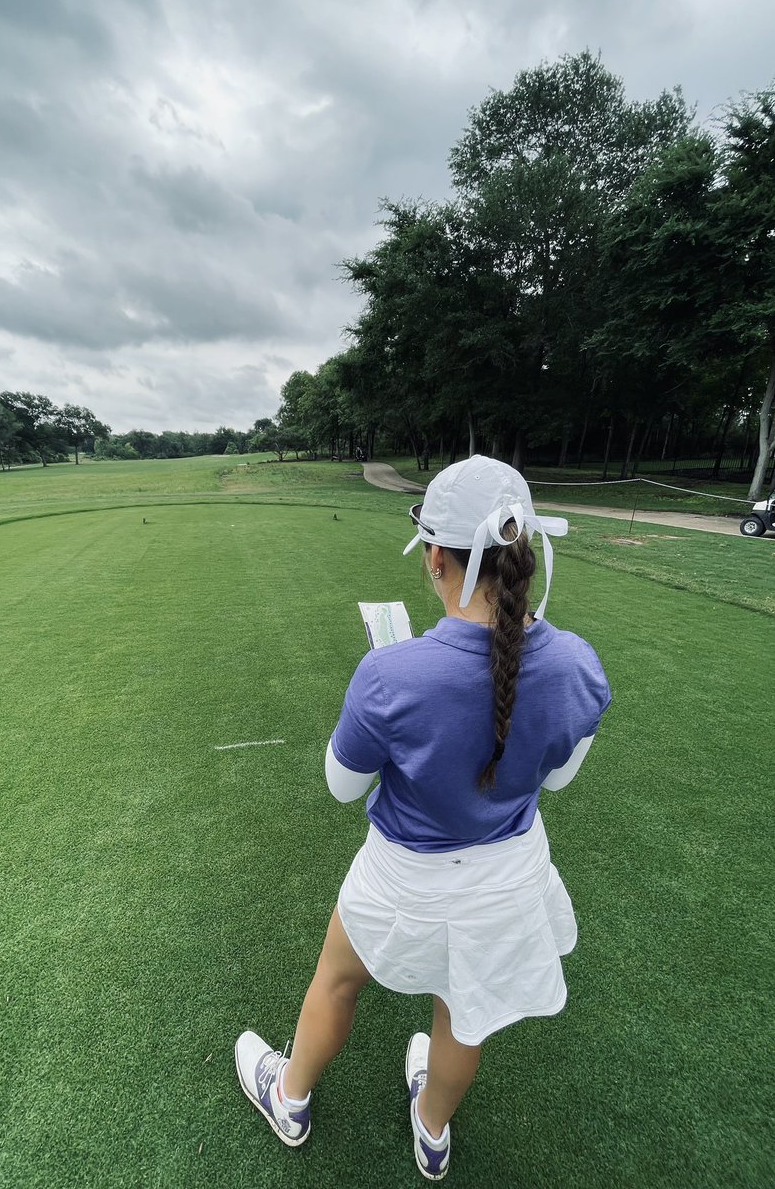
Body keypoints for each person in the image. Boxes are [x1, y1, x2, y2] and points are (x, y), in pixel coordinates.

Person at [235, 455, 611, 1180]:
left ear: (435, 557)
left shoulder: (392, 673)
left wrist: (398, 685)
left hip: (403, 875)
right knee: (461, 1013)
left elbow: (342, 787)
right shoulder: (576, 662)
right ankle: (431, 1133)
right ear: (525, 553)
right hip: (510, 875)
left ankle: (290, 1097)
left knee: (337, 981)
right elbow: (558, 778)